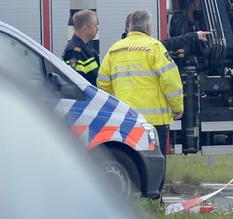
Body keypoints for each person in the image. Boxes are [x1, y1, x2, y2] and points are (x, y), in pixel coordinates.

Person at [98, 10, 184, 152]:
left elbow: (103, 83)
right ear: (148, 28)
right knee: (155, 163)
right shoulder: (154, 47)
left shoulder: (114, 50)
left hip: (126, 119)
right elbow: (170, 82)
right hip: (154, 122)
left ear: (129, 28)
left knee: (133, 162)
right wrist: (177, 107)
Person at [60, 9, 100, 79]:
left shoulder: (86, 47)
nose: (97, 29)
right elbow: (76, 83)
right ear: (86, 28)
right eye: (95, 25)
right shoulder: (74, 52)